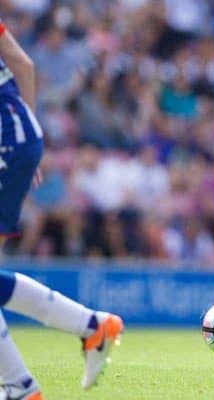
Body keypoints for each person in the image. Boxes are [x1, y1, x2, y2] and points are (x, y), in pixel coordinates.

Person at [0, 20, 123, 400]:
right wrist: (29, 132)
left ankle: (20, 387)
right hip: (18, 138)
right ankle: (92, 326)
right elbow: (23, 64)